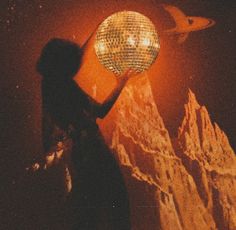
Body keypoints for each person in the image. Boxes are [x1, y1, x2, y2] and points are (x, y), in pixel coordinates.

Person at [37, 38, 135, 229]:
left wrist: (94, 34)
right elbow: (101, 111)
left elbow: (48, 126)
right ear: (64, 62)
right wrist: (121, 83)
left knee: (91, 207)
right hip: (92, 148)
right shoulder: (66, 86)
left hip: (80, 152)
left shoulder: (49, 85)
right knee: (116, 201)